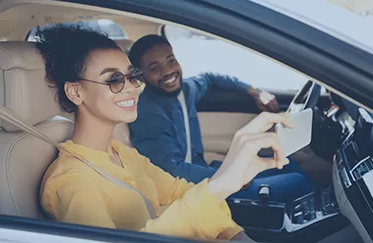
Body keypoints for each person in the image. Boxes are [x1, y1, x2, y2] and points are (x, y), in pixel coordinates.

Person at [38, 24, 293, 242]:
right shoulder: (71, 182)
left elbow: (179, 192)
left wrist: (233, 234)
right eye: (114, 80)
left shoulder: (121, 153)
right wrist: (222, 182)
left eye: (132, 76)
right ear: (75, 92)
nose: (133, 89)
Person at [128, 35, 313, 202]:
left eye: (171, 60)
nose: (168, 71)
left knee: (289, 166)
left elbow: (210, 78)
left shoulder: (185, 90)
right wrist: (231, 177)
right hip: (191, 192)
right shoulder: (146, 113)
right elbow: (173, 171)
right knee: (298, 183)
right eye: (155, 68)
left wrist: (254, 92)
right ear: (141, 75)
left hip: (204, 171)